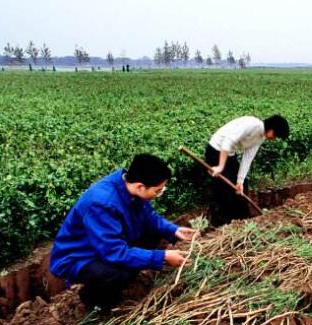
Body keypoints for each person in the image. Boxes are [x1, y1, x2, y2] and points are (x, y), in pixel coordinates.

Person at [50, 154, 195, 310]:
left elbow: (148, 217)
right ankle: (93, 301)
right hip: (79, 255)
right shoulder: (103, 204)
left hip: (105, 243)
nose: (159, 194)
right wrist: (162, 257)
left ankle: (126, 275)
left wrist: (173, 230)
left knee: (153, 234)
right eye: (158, 191)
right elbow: (115, 253)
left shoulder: (130, 188)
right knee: (119, 274)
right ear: (140, 186)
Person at [204, 115, 289, 225]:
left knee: (241, 187)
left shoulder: (261, 137)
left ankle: (243, 219)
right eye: (276, 135)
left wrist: (240, 181)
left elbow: (248, 157)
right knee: (225, 188)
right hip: (216, 150)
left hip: (229, 153)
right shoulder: (252, 125)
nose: (274, 138)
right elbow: (228, 141)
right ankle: (225, 223)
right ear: (271, 129)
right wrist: (220, 166)